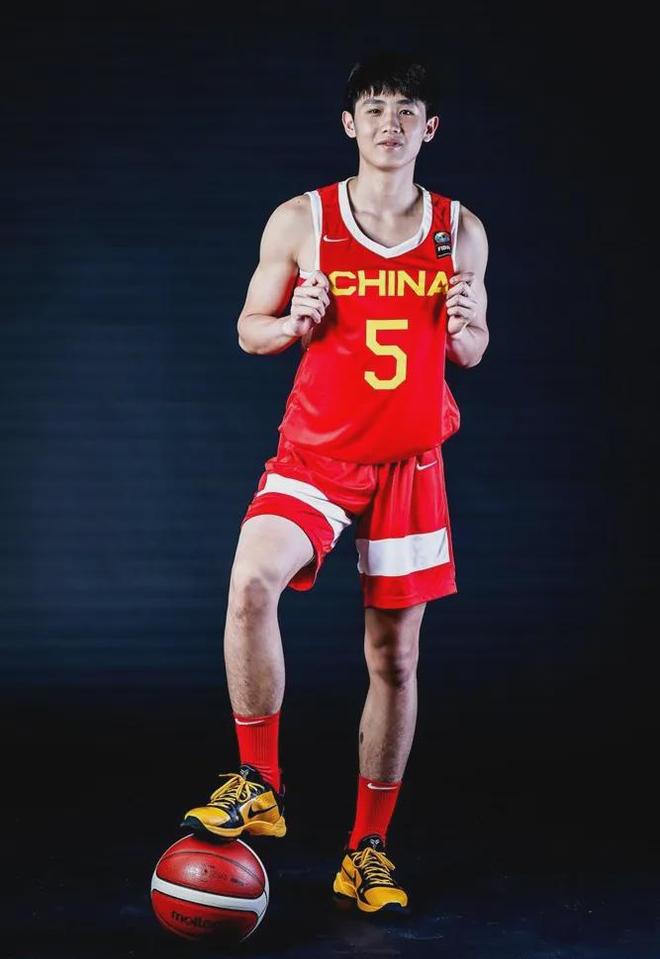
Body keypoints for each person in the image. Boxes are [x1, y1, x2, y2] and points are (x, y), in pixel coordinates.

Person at [181, 51, 489, 914]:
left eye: (407, 110)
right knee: (252, 583)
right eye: (375, 107)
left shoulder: (459, 229)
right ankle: (259, 782)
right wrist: (292, 322)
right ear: (350, 124)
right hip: (317, 454)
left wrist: (468, 329)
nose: (390, 122)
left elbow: (473, 348)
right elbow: (248, 329)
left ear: (429, 129)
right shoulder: (302, 220)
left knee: (394, 658)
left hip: (409, 466)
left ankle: (367, 850)